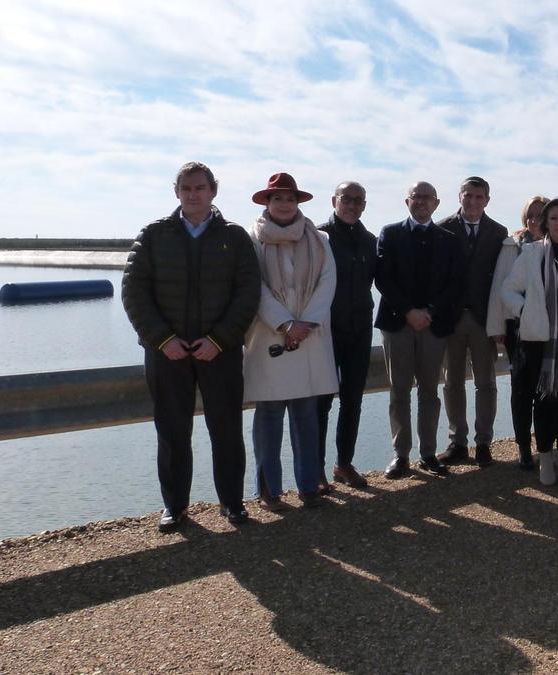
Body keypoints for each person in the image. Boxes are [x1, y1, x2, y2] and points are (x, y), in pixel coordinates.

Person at [122, 161, 261, 532]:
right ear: (176, 192)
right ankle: (175, 507)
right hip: (167, 353)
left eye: (200, 188)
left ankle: (232, 503)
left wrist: (219, 340)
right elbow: (134, 293)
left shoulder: (234, 236)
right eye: (186, 188)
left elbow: (248, 295)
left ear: (213, 190)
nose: (193, 194)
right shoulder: (154, 235)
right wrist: (162, 340)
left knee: (227, 430)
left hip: (220, 351)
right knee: (172, 432)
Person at [243, 173, 338, 510]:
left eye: (290, 198)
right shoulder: (251, 240)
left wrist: (304, 324)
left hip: (308, 337)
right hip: (270, 337)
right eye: (278, 198)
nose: (284, 204)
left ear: (298, 203)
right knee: (268, 416)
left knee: (305, 416)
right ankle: (269, 489)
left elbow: (327, 283)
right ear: (267, 203)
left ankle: (309, 486)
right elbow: (254, 287)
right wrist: (285, 322)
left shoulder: (320, 239)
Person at [376, 181, 462, 479]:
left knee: (429, 391)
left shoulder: (448, 239)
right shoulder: (390, 233)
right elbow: (383, 279)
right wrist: (409, 311)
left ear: (437, 203)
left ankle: (428, 453)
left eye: (427, 198)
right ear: (407, 201)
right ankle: (401, 455)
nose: (422, 202)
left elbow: (454, 283)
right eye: (416, 197)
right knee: (399, 391)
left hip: (433, 325)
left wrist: (429, 312)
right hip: (397, 324)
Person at [501, 197, 558, 486]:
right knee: (541, 400)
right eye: (553, 218)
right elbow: (509, 291)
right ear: (545, 223)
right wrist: (526, 311)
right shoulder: (530, 253)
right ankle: (544, 458)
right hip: (536, 339)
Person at [436, 177, 509, 468]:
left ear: (487, 200)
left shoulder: (498, 232)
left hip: (483, 319)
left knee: (486, 383)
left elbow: (502, 279)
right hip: (451, 320)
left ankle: (483, 443)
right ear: (460, 197)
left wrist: (499, 322)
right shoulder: (442, 228)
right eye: (469, 195)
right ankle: (457, 442)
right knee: (452, 383)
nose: (474, 201)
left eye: (480, 197)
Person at [315, 181, 375, 492]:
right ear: (334, 200)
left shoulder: (369, 240)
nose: (352, 205)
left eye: (358, 200)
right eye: (346, 199)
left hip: (360, 329)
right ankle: (316, 469)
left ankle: (343, 463)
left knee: (353, 400)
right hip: (326, 332)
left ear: (364, 205)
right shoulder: (318, 236)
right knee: (321, 403)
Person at [487, 195, 548, 469]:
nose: (535, 219)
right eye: (530, 214)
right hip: (518, 328)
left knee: (546, 389)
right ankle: (524, 447)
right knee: (521, 389)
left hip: (549, 327)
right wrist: (497, 327)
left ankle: (547, 445)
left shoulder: (557, 246)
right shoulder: (511, 246)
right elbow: (500, 286)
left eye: (541, 214)